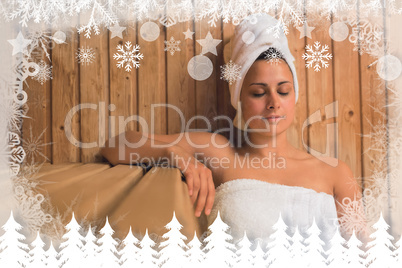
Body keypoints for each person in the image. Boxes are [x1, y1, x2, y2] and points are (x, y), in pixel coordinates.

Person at [101, 14, 363, 247]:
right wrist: (174, 153)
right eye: (259, 92)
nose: (273, 102)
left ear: (294, 96)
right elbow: (116, 145)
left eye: (283, 90)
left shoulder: (336, 173)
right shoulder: (219, 153)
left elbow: (365, 255)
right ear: (238, 97)